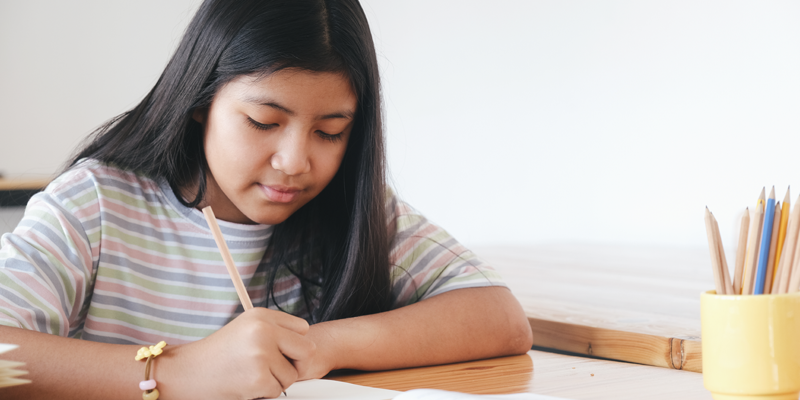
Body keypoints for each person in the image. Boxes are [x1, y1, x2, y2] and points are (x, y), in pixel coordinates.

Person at [0, 0, 532, 399]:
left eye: (330, 131)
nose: (295, 161)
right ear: (200, 101)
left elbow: (500, 317)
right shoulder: (97, 203)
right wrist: (175, 372)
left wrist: (317, 346)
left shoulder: (352, 209)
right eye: (263, 122)